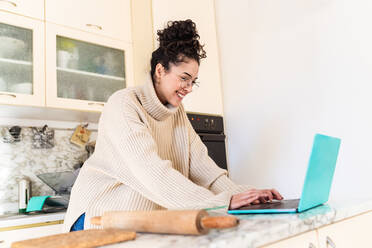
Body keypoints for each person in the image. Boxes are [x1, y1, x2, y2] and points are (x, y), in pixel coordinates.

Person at [63, 19, 283, 232]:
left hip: (138, 221)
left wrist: (247, 197)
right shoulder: (124, 104)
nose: (188, 87)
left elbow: (205, 171)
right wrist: (222, 203)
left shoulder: (176, 114)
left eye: (192, 81)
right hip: (97, 218)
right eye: (183, 78)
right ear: (160, 71)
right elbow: (152, 173)